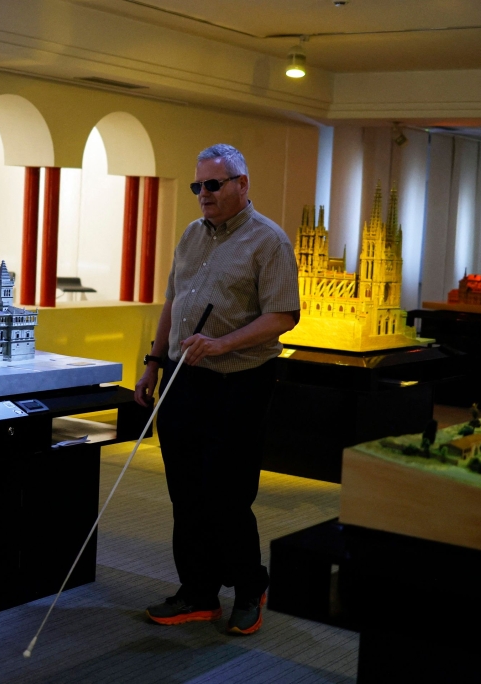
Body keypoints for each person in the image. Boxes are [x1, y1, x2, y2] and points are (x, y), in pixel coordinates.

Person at [135, 143, 300, 636]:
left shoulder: (268, 241)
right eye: (197, 186)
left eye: (213, 185)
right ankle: (198, 593)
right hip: (184, 378)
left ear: (241, 184)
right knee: (184, 492)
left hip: (239, 383)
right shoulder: (190, 235)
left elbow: (284, 316)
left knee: (226, 494)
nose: (203, 195)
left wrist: (222, 342)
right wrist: (152, 361)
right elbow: (173, 301)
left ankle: (250, 589)